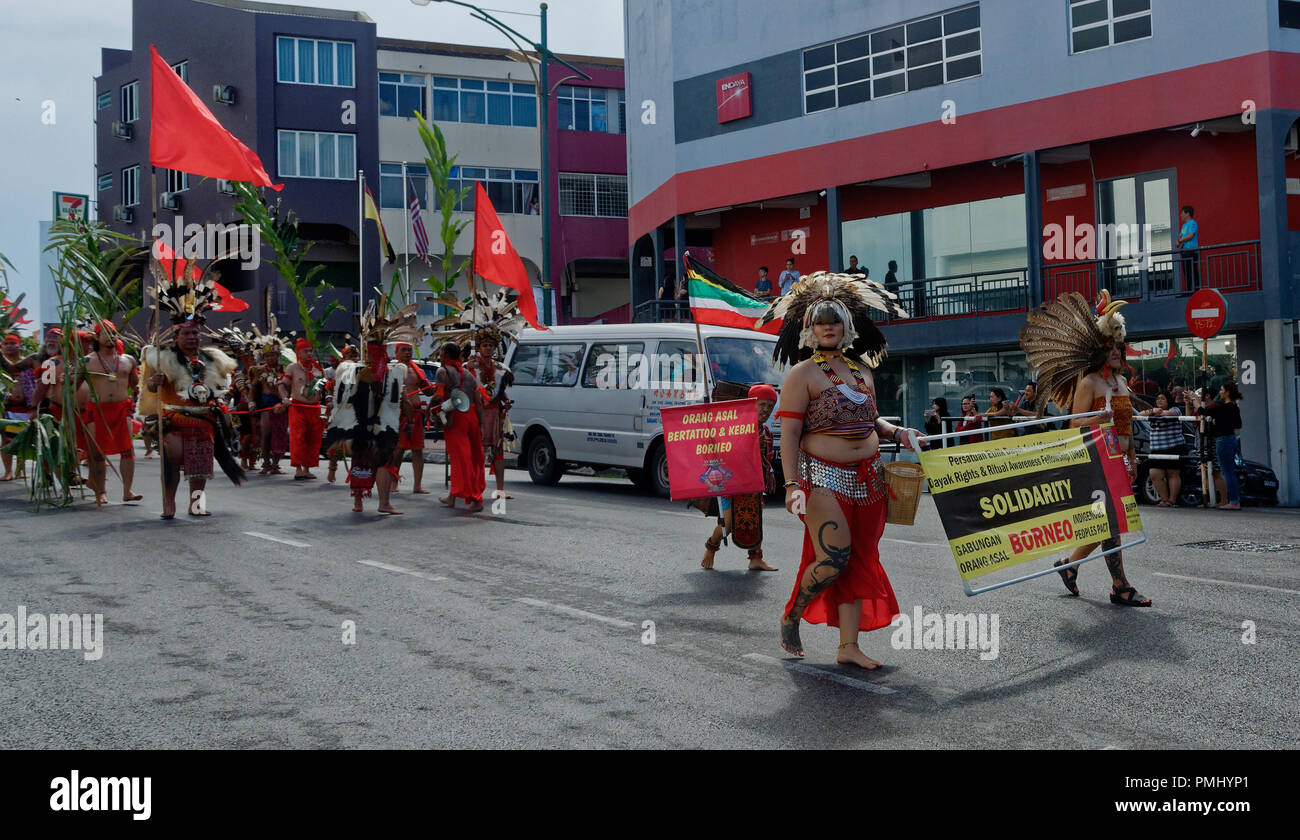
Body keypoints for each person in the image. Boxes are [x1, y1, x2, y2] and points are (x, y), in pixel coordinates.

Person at [753, 270, 919, 667]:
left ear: (847, 327)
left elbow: (871, 422)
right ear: (809, 328)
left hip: (870, 477)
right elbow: (789, 434)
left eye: (835, 322)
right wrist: (792, 485)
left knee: (861, 558)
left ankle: (848, 647)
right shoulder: (801, 374)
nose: (828, 328)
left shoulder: (863, 372)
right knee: (835, 557)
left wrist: (898, 433)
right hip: (822, 477)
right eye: (821, 322)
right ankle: (792, 615)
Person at [1021, 290, 1150, 606]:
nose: (1117, 352)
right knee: (1111, 521)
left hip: (1118, 458)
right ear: (1099, 352)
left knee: (1108, 521)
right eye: (1111, 348)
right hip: (1095, 459)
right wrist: (1098, 416)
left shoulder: (1120, 384)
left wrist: (1132, 457)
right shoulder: (1089, 383)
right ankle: (1120, 586)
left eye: (1119, 347)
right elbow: (1074, 425)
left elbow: (1125, 427)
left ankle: (1069, 566)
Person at [143, 318, 245, 520]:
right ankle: (169, 502)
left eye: (195, 334)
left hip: (204, 419)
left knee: (200, 464)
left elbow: (219, 387)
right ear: (176, 337)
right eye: (186, 334)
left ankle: (196, 504)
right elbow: (152, 387)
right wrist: (154, 382)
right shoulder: (164, 359)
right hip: (175, 417)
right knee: (172, 458)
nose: (192, 338)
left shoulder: (211, 359)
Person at [699, 383, 780, 572]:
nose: (766, 410)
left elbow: (764, 460)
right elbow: (728, 455)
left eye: (770, 406)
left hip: (753, 485)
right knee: (728, 524)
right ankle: (711, 547)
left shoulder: (767, 432)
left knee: (753, 521)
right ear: (751, 405)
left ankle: (756, 559)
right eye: (762, 405)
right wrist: (752, 443)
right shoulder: (735, 427)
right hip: (731, 484)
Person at [79, 320, 141, 506]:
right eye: (106, 333)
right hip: (97, 410)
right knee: (97, 453)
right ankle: (101, 491)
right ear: (97, 337)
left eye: (113, 333)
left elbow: (135, 385)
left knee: (128, 450)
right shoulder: (87, 361)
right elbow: (73, 385)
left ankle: (127, 491)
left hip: (121, 409)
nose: (112, 336)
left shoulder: (128, 360)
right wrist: (67, 377)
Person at [435, 341, 485, 511]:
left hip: (455, 416)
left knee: (461, 460)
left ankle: (476, 499)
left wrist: (428, 409)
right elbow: (478, 401)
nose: (439, 355)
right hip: (471, 417)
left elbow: (438, 396)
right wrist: (481, 424)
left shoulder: (442, 371)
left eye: (441, 352)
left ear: (446, 355)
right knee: (472, 457)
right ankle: (453, 496)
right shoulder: (469, 374)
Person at [468, 330, 514, 503]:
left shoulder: (501, 369)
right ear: (479, 347)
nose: (488, 348)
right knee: (475, 452)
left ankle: (500, 489)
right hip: (476, 414)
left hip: (495, 414)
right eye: (484, 345)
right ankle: (472, 488)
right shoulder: (471, 367)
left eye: (491, 346)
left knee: (498, 451)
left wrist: (506, 402)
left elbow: (501, 392)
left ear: (495, 348)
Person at [1191, 380, 1243, 510]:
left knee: (1227, 472)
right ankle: (1234, 500)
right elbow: (1238, 424)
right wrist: (1220, 421)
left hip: (1223, 440)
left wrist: (1194, 399)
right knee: (1229, 471)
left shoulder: (1223, 406)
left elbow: (1202, 411)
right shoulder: (1234, 407)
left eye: (1222, 390)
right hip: (1231, 438)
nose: (1220, 392)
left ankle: (1234, 501)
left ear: (1227, 392)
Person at [391, 341, 430, 494]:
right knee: (398, 449)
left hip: (417, 411)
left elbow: (427, 391)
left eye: (409, 350)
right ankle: (393, 482)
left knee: (418, 449)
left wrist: (433, 388)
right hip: (400, 413)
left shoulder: (417, 370)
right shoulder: (394, 370)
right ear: (397, 353)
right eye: (404, 350)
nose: (408, 352)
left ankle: (417, 485)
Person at [285, 338, 326, 481]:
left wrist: (330, 401)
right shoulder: (292, 368)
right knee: (298, 437)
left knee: (313, 439)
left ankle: (307, 469)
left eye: (311, 351)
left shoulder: (318, 369)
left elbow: (325, 389)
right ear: (299, 353)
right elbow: (282, 384)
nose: (309, 354)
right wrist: (284, 398)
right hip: (298, 407)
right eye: (306, 351)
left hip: (314, 409)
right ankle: (298, 469)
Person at [249, 338, 289, 475]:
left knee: (280, 434)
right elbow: (253, 390)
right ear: (263, 357)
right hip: (266, 407)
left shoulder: (286, 369)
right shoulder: (258, 371)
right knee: (266, 434)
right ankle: (266, 463)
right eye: (267, 356)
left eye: (273, 355)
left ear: (278, 356)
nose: (270, 358)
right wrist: (252, 402)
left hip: (282, 407)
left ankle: (275, 464)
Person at [1139, 390, 1184, 507]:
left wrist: (1162, 413)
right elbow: (1139, 415)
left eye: (1162, 399)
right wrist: (1152, 411)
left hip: (1173, 446)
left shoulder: (1176, 409)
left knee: (1172, 473)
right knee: (1154, 474)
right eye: (1158, 399)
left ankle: (1172, 500)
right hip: (1156, 448)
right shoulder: (1152, 412)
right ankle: (1164, 499)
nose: (1159, 401)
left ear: (1168, 400)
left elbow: (1172, 414)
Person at [2, 332, 36, 481]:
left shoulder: (27, 364)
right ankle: (8, 471)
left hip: (25, 408)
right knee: (6, 441)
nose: (9, 346)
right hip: (7, 409)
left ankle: (20, 470)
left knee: (23, 439)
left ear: (19, 346)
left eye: (12, 343)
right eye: (6, 343)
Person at [1176, 205, 1200, 291]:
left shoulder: (1193, 223)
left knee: (1193, 271)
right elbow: (1179, 239)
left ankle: (1197, 290)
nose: (1181, 215)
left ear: (1187, 214)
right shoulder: (1184, 226)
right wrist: (1179, 242)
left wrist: (1180, 240)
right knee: (1186, 272)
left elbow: (1191, 235)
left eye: (1182, 213)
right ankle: (1188, 290)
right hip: (1185, 251)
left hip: (1192, 251)